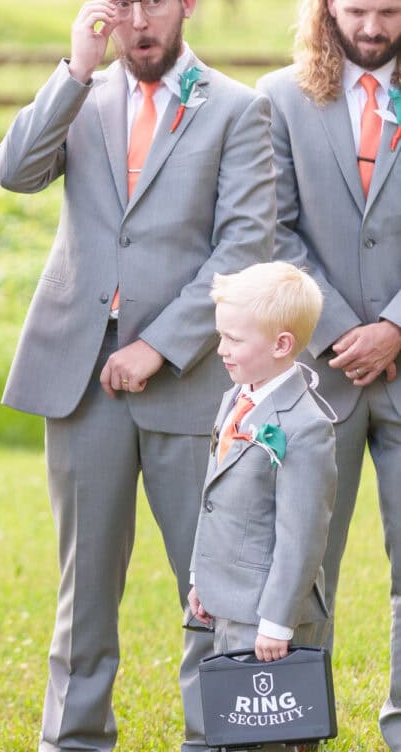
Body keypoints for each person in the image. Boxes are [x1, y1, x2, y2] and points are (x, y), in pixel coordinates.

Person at [0, 0, 274, 752]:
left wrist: (157, 346)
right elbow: (14, 171)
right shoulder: (83, 95)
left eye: (154, 1)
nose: (139, 20)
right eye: (122, 4)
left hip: (189, 378)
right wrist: (74, 71)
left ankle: (219, 738)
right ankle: (74, 740)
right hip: (78, 377)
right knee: (84, 589)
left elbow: (245, 245)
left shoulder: (237, 108)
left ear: (186, 3)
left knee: (209, 584)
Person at [257, 0, 401, 748]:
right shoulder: (278, 97)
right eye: (359, 11)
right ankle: (294, 730)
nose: (375, 29)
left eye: (390, 13)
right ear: (328, 5)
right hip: (321, 371)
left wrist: (396, 326)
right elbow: (272, 230)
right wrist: (352, 332)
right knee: (305, 560)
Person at [188, 262, 336, 752]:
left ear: (281, 345)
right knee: (238, 735)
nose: (222, 349)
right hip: (229, 601)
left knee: (276, 735)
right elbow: (215, 502)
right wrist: (199, 579)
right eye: (220, 335)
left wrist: (277, 622)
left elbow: (302, 536)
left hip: (271, 615)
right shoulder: (236, 397)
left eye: (233, 339)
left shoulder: (305, 426)